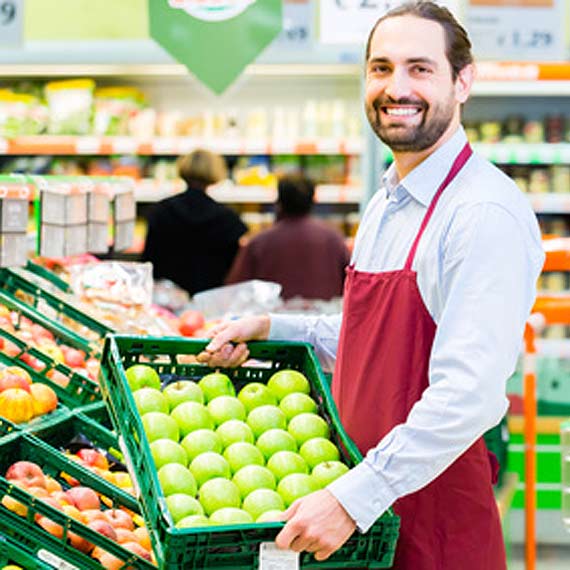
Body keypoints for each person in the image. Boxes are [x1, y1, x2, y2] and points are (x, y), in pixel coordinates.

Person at [198, 2, 544, 569]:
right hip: (361, 515)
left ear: (463, 82)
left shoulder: (483, 212)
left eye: (419, 68)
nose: (396, 87)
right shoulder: (387, 201)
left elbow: (469, 395)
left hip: (427, 524)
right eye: (380, 68)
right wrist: (273, 328)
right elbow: (376, 339)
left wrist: (351, 499)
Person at [226, 174, 350, 300]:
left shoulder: (259, 242)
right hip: (323, 314)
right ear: (312, 200)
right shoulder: (333, 238)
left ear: (279, 201)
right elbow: (350, 281)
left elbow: (236, 288)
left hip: (272, 315)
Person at [141, 149, 247, 296]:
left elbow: (148, 260)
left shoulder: (161, 211)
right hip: (210, 299)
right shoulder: (228, 219)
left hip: (167, 298)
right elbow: (233, 269)